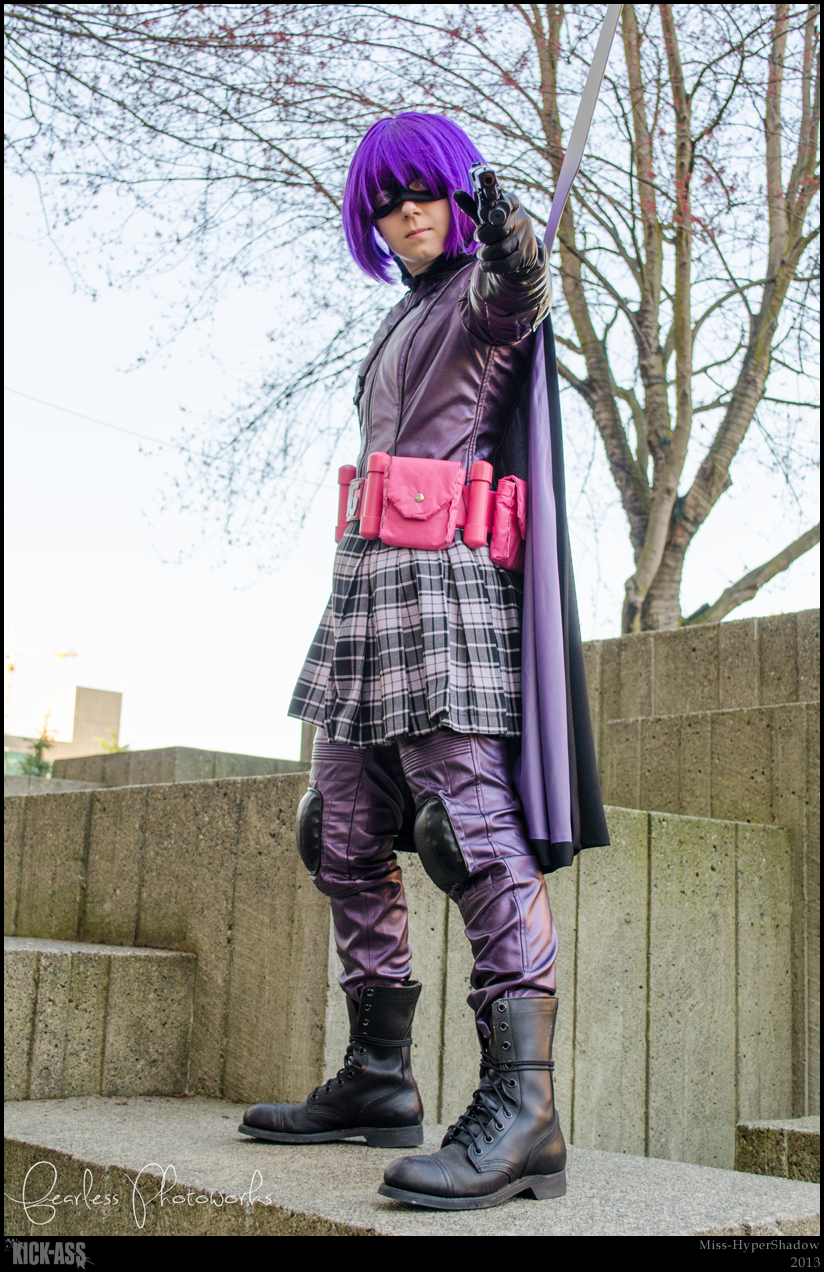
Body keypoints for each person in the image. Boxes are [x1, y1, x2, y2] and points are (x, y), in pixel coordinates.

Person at [239, 112, 608, 1212]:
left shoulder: (479, 296)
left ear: (456, 193)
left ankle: (523, 1111)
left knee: (468, 827)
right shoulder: (402, 314)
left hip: (444, 591)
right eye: (384, 202)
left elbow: (517, 289)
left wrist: (511, 235)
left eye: (422, 192)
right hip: (367, 591)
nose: (405, 215)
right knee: (339, 828)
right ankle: (378, 1076)